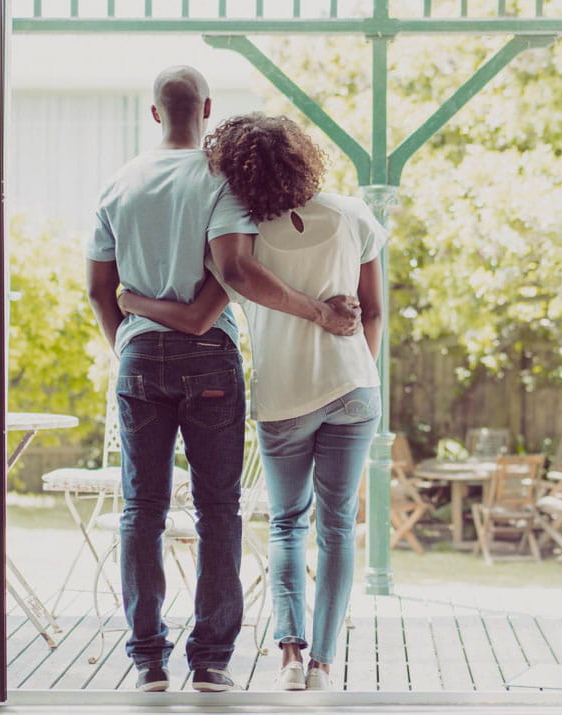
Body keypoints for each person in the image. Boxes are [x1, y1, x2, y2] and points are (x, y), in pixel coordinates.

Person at [86, 69, 361, 693]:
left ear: (154, 113)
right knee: (218, 510)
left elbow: (101, 291)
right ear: (207, 109)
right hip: (208, 357)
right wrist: (319, 312)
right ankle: (210, 662)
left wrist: (131, 345)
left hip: (137, 357)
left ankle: (148, 662)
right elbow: (234, 269)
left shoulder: (116, 184)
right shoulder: (220, 181)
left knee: (141, 511)